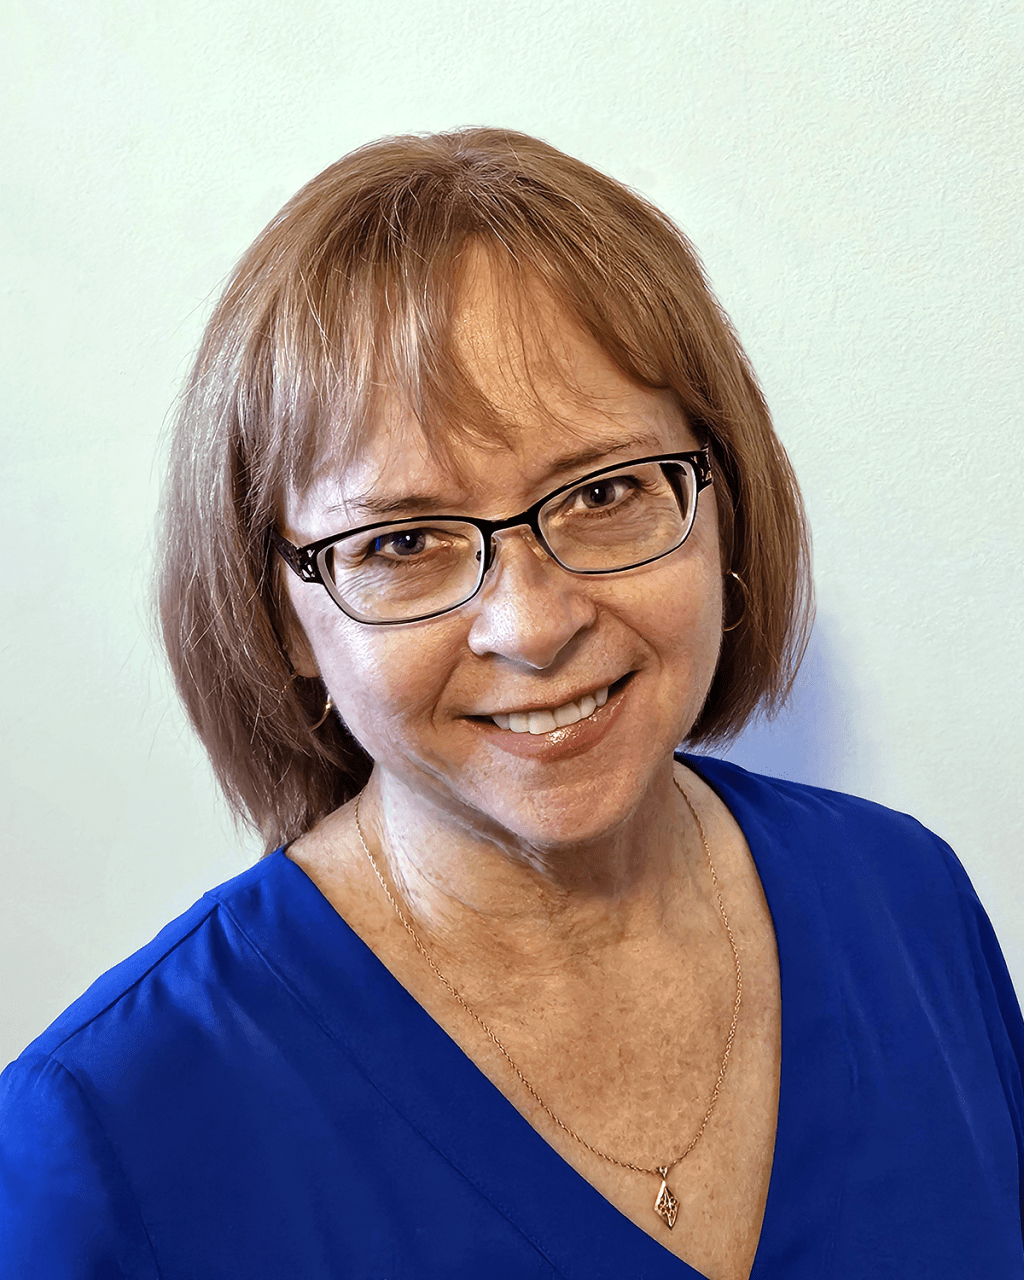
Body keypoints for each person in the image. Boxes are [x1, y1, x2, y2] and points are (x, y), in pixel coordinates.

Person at [1, 128, 1021, 1280]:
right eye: (401, 541)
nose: (531, 625)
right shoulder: (108, 1127)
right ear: (281, 615)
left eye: (604, 490)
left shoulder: (906, 897)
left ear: (723, 501)